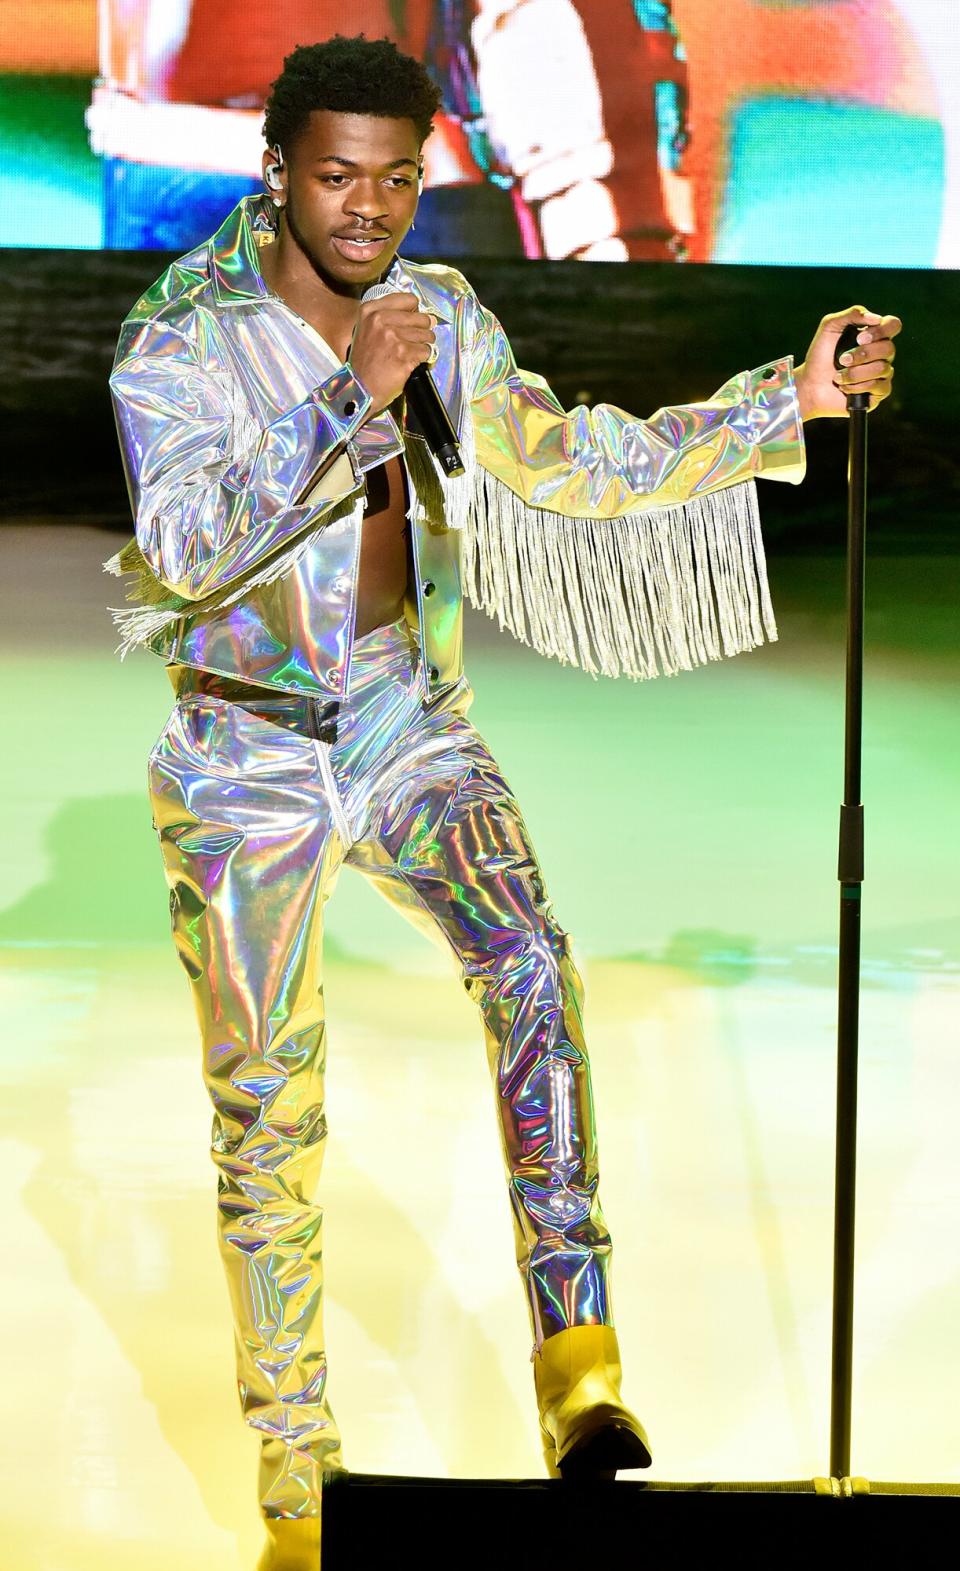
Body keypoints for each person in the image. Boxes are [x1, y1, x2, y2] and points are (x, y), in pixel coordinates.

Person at [106, 32, 899, 1571]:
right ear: (276, 170)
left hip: (405, 716)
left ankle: (577, 1367)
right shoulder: (177, 337)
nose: (369, 210)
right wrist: (347, 398)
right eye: (337, 178)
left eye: (399, 180)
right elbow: (189, 544)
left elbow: (565, 460)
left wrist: (774, 403)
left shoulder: (442, 311)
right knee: (267, 1119)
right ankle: (295, 1479)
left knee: (529, 959)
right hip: (244, 749)